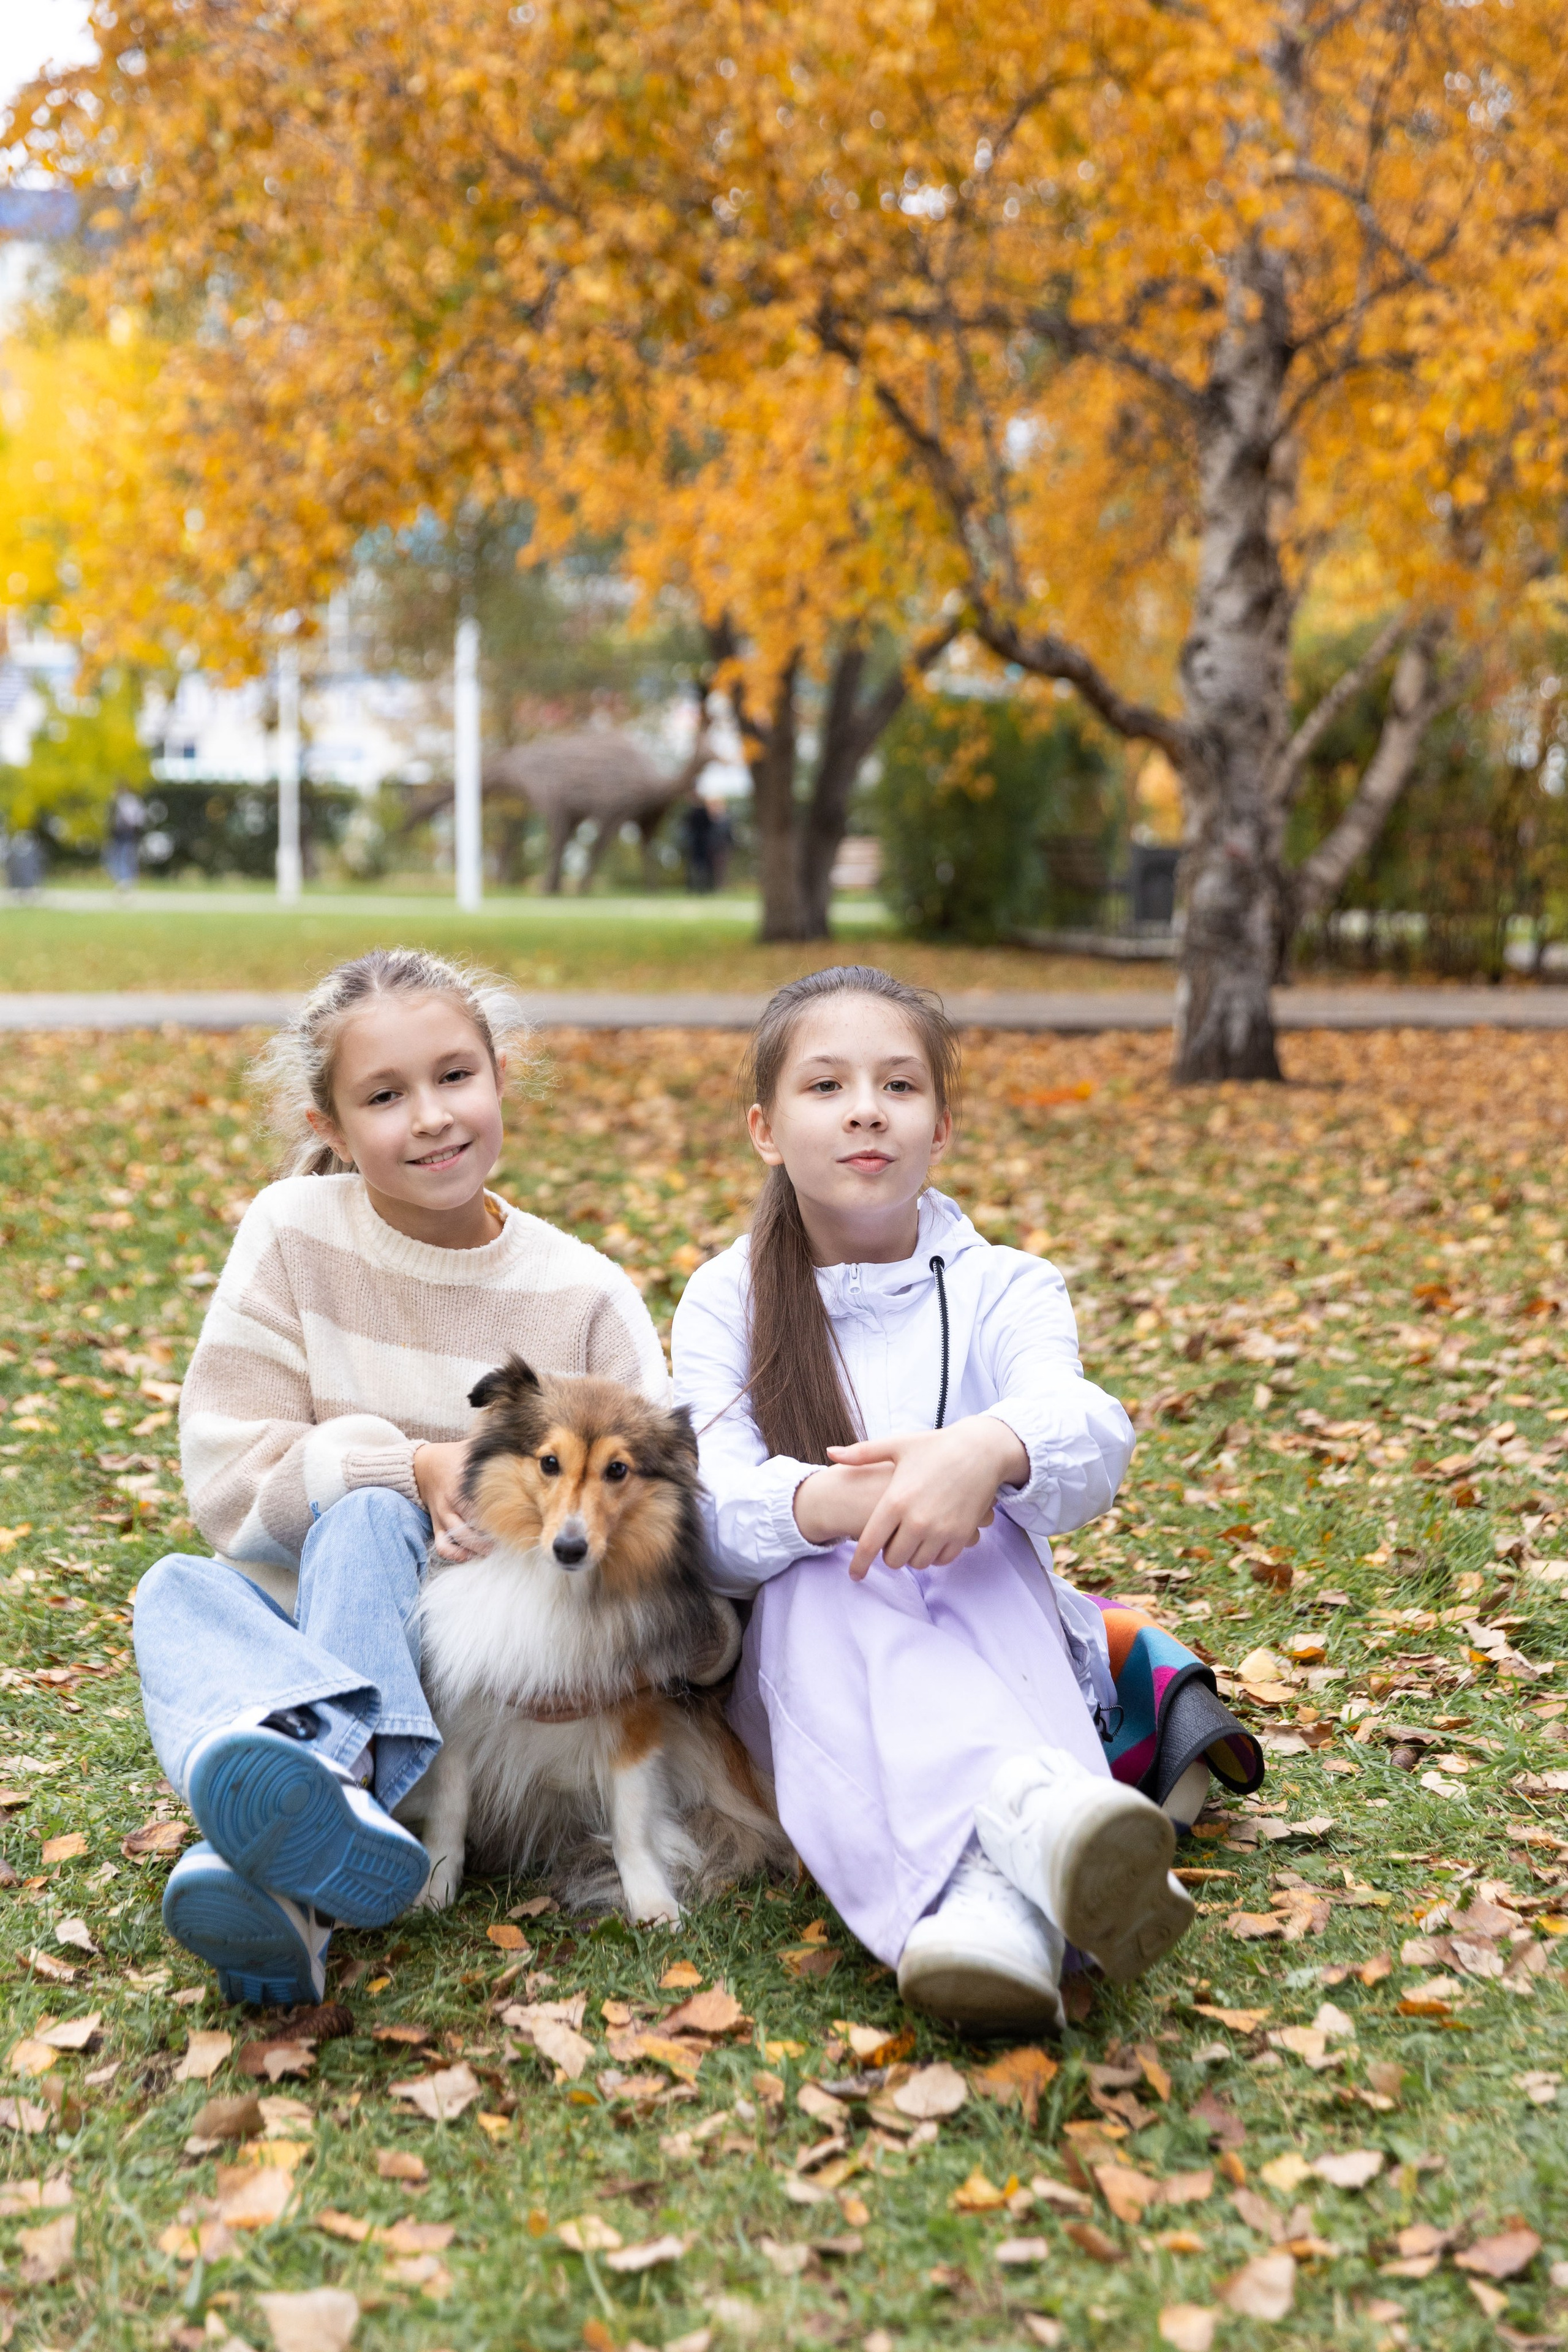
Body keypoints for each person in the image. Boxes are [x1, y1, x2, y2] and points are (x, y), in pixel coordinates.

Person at [134, 947, 666, 2007]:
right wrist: (405, 1465)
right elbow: (229, 1485)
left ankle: (303, 1829)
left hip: (482, 1683)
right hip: (307, 1641)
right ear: (329, 1126)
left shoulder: (587, 1296)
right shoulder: (289, 1233)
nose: (430, 1117)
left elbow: (667, 1520)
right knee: (174, 1592)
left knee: (372, 1520)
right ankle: (324, 1816)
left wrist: (638, 1659)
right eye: (384, 1096)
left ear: (500, 1076)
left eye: (455, 1076)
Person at [671, 966, 1199, 2034]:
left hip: (992, 1635)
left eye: (900, 1086)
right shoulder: (728, 1298)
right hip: (813, 1680)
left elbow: (1090, 1435)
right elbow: (712, 1523)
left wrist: (987, 1450)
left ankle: (986, 1916)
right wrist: (833, 1503)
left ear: (941, 1128)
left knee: (980, 1542)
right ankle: (1035, 1813)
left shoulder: (1007, 1285)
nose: (867, 1109)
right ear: (765, 1130)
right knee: (830, 1568)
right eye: (827, 1085)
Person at [105, 785, 146, 894]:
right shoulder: (126, 801)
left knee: (124, 856)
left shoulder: (127, 800)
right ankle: (125, 880)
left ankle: (126, 881)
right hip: (122, 833)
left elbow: (132, 818)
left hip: (126, 832)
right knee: (120, 857)